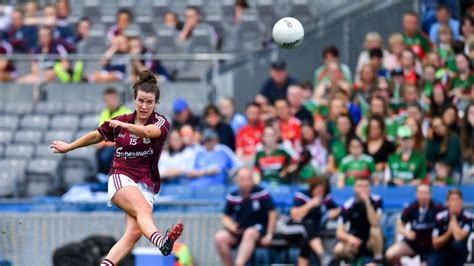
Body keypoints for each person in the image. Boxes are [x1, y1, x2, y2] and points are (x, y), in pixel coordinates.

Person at [50, 70, 183, 265]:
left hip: (147, 183)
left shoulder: (161, 122)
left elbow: (147, 131)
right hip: (121, 176)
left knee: (133, 234)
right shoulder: (122, 120)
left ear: (156, 103)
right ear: (134, 99)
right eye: (140, 101)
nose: (144, 106)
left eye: (149, 102)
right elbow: (96, 135)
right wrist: (69, 146)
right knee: (143, 210)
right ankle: (162, 242)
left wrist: (124, 126)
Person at [214, 168, 277, 266]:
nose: (246, 182)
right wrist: (233, 227)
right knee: (220, 237)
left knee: (249, 232)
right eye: (243, 179)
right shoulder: (232, 196)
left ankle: (240, 264)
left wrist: (269, 235)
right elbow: (225, 217)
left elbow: (272, 214)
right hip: (239, 230)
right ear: (237, 180)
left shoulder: (262, 193)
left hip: (258, 229)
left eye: (248, 179)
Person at [385, 184, 444, 266]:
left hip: (430, 245)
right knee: (390, 254)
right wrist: (406, 233)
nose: (423, 196)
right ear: (416, 194)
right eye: (421, 193)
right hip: (414, 242)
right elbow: (399, 226)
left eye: (426, 193)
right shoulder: (411, 207)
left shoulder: (438, 208)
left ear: (430, 194)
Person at [289, 177, 340, 266]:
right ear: (313, 187)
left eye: (323, 191)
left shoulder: (325, 199)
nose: (320, 193)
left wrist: (332, 213)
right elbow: (294, 215)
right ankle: (322, 255)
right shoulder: (302, 195)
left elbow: (339, 210)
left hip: (311, 233)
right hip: (293, 227)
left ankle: (322, 257)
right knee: (308, 226)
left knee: (307, 239)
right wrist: (310, 205)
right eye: (319, 190)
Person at [333, 178, 384, 264]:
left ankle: (377, 260)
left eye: (366, 186)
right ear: (354, 188)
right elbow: (339, 232)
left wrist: (367, 202)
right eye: (360, 186)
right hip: (356, 240)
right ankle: (350, 262)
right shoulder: (348, 205)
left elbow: (374, 223)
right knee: (338, 248)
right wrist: (350, 238)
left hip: (371, 241)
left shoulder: (377, 200)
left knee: (375, 229)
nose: (363, 189)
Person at [96, 88, 132, 176]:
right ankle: (102, 177)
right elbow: (101, 132)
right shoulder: (104, 113)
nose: (110, 102)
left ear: (117, 99)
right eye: (108, 100)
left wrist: (105, 143)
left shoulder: (126, 113)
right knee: (97, 152)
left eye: (112, 99)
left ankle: (108, 176)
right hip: (107, 144)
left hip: (121, 146)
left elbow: (125, 136)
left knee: (107, 154)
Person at [432, 189, 473, 266]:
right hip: (442, 251)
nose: (456, 203)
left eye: (458, 200)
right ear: (447, 203)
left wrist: (453, 219)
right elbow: (435, 243)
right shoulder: (439, 217)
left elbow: (458, 237)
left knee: (457, 245)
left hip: (460, 254)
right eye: (452, 200)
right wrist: (449, 232)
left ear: (462, 202)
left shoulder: (468, 217)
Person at [460, 103, 474, 181]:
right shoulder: (463, 130)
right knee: (466, 170)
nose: (473, 116)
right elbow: (464, 149)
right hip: (468, 161)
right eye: (471, 113)